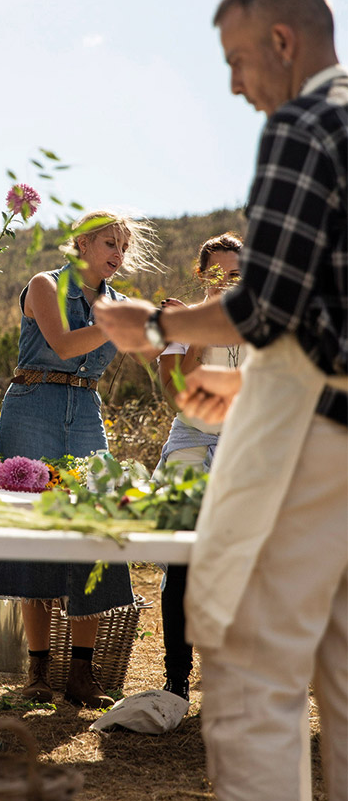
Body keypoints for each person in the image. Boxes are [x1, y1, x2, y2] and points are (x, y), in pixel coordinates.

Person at [94, 0, 346, 801]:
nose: (236, 85)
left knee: (249, 675)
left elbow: (267, 304)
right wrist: (249, 386)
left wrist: (152, 324)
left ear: (284, 42)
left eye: (239, 60)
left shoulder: (304, 125)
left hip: (313, 451)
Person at [0, 211, 157, 708]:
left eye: (123, 246)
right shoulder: (45, 285)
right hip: (33, 405)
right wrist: (117, 322)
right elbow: (62, 346)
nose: (118, 254)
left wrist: (161, 324)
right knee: (34, 533)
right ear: (81, 244)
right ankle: (37, 672)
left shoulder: (118, 303)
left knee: (92, 529)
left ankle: (82, 675)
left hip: (85, 410)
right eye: (109, 243)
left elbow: (148, 352)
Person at [155, 233, 243, 702]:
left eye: (236, 275)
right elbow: (175, 394)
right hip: (192, 442)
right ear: (200, 274)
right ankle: (177, 678)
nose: (226, 282)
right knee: (183, 560)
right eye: (216, 274)